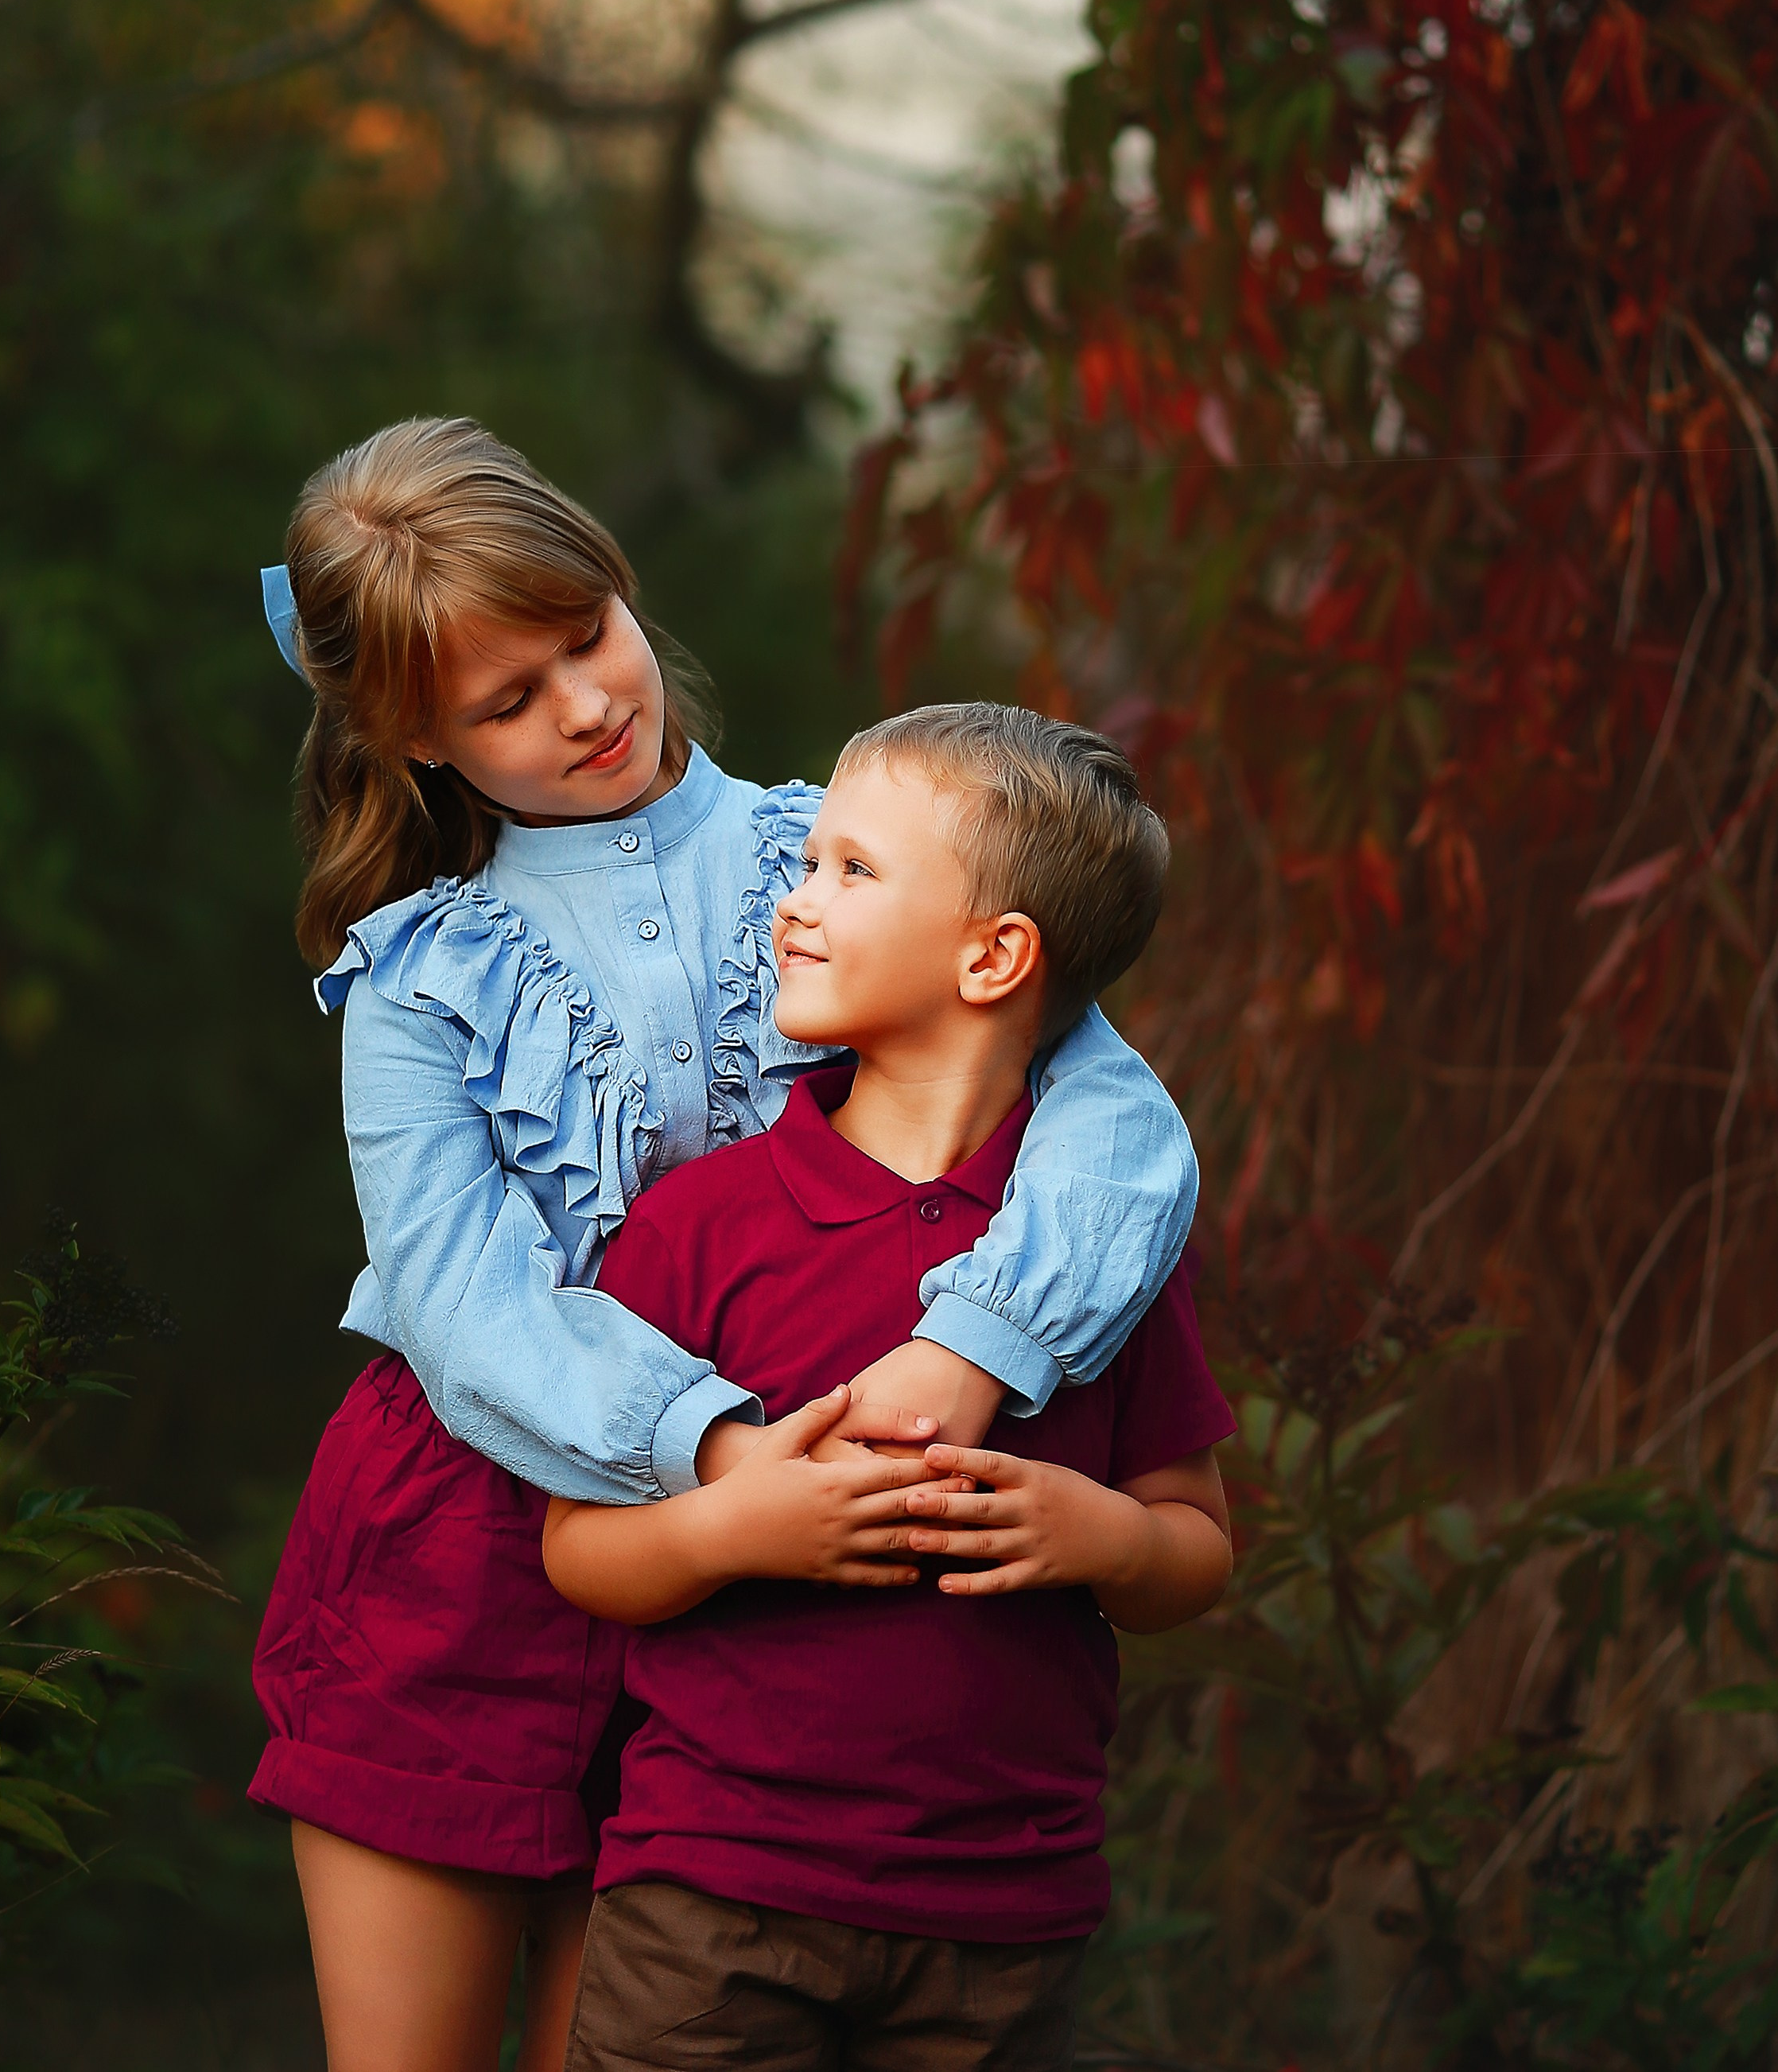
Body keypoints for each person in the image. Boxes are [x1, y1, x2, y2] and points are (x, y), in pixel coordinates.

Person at [247, 420, 1202, 2072]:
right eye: (507, 702)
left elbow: (1114, 1124)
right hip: (469, 1545)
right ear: (411, 735)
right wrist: (710, 1445)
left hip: (797, 1555)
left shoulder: (833, 856)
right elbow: (464, 1302)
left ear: (620, 585)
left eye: (586, 637)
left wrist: (969, 1349)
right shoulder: (415, 977)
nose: (589, 704)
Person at [542, 703, 1234, 2072]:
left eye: (852, 872)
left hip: (1002, 1912)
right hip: (716, 1888)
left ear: (995, 956)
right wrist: (734, 1531)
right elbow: (580, 1551)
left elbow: (1195, 1549)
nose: (796, 906)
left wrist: (1095, 1537)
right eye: (807, 865)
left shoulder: (1097, 1249)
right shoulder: (703, 1226)